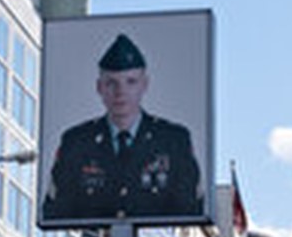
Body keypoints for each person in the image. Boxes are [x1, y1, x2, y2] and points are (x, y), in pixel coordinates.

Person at [43, 33, 203, 221]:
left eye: (131, 82)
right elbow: (56, 211)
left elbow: (191, 210)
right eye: (112, 83)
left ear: (144, 85)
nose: (121, 92)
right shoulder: (76, 142)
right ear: (99, 87)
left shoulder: (174, 140)